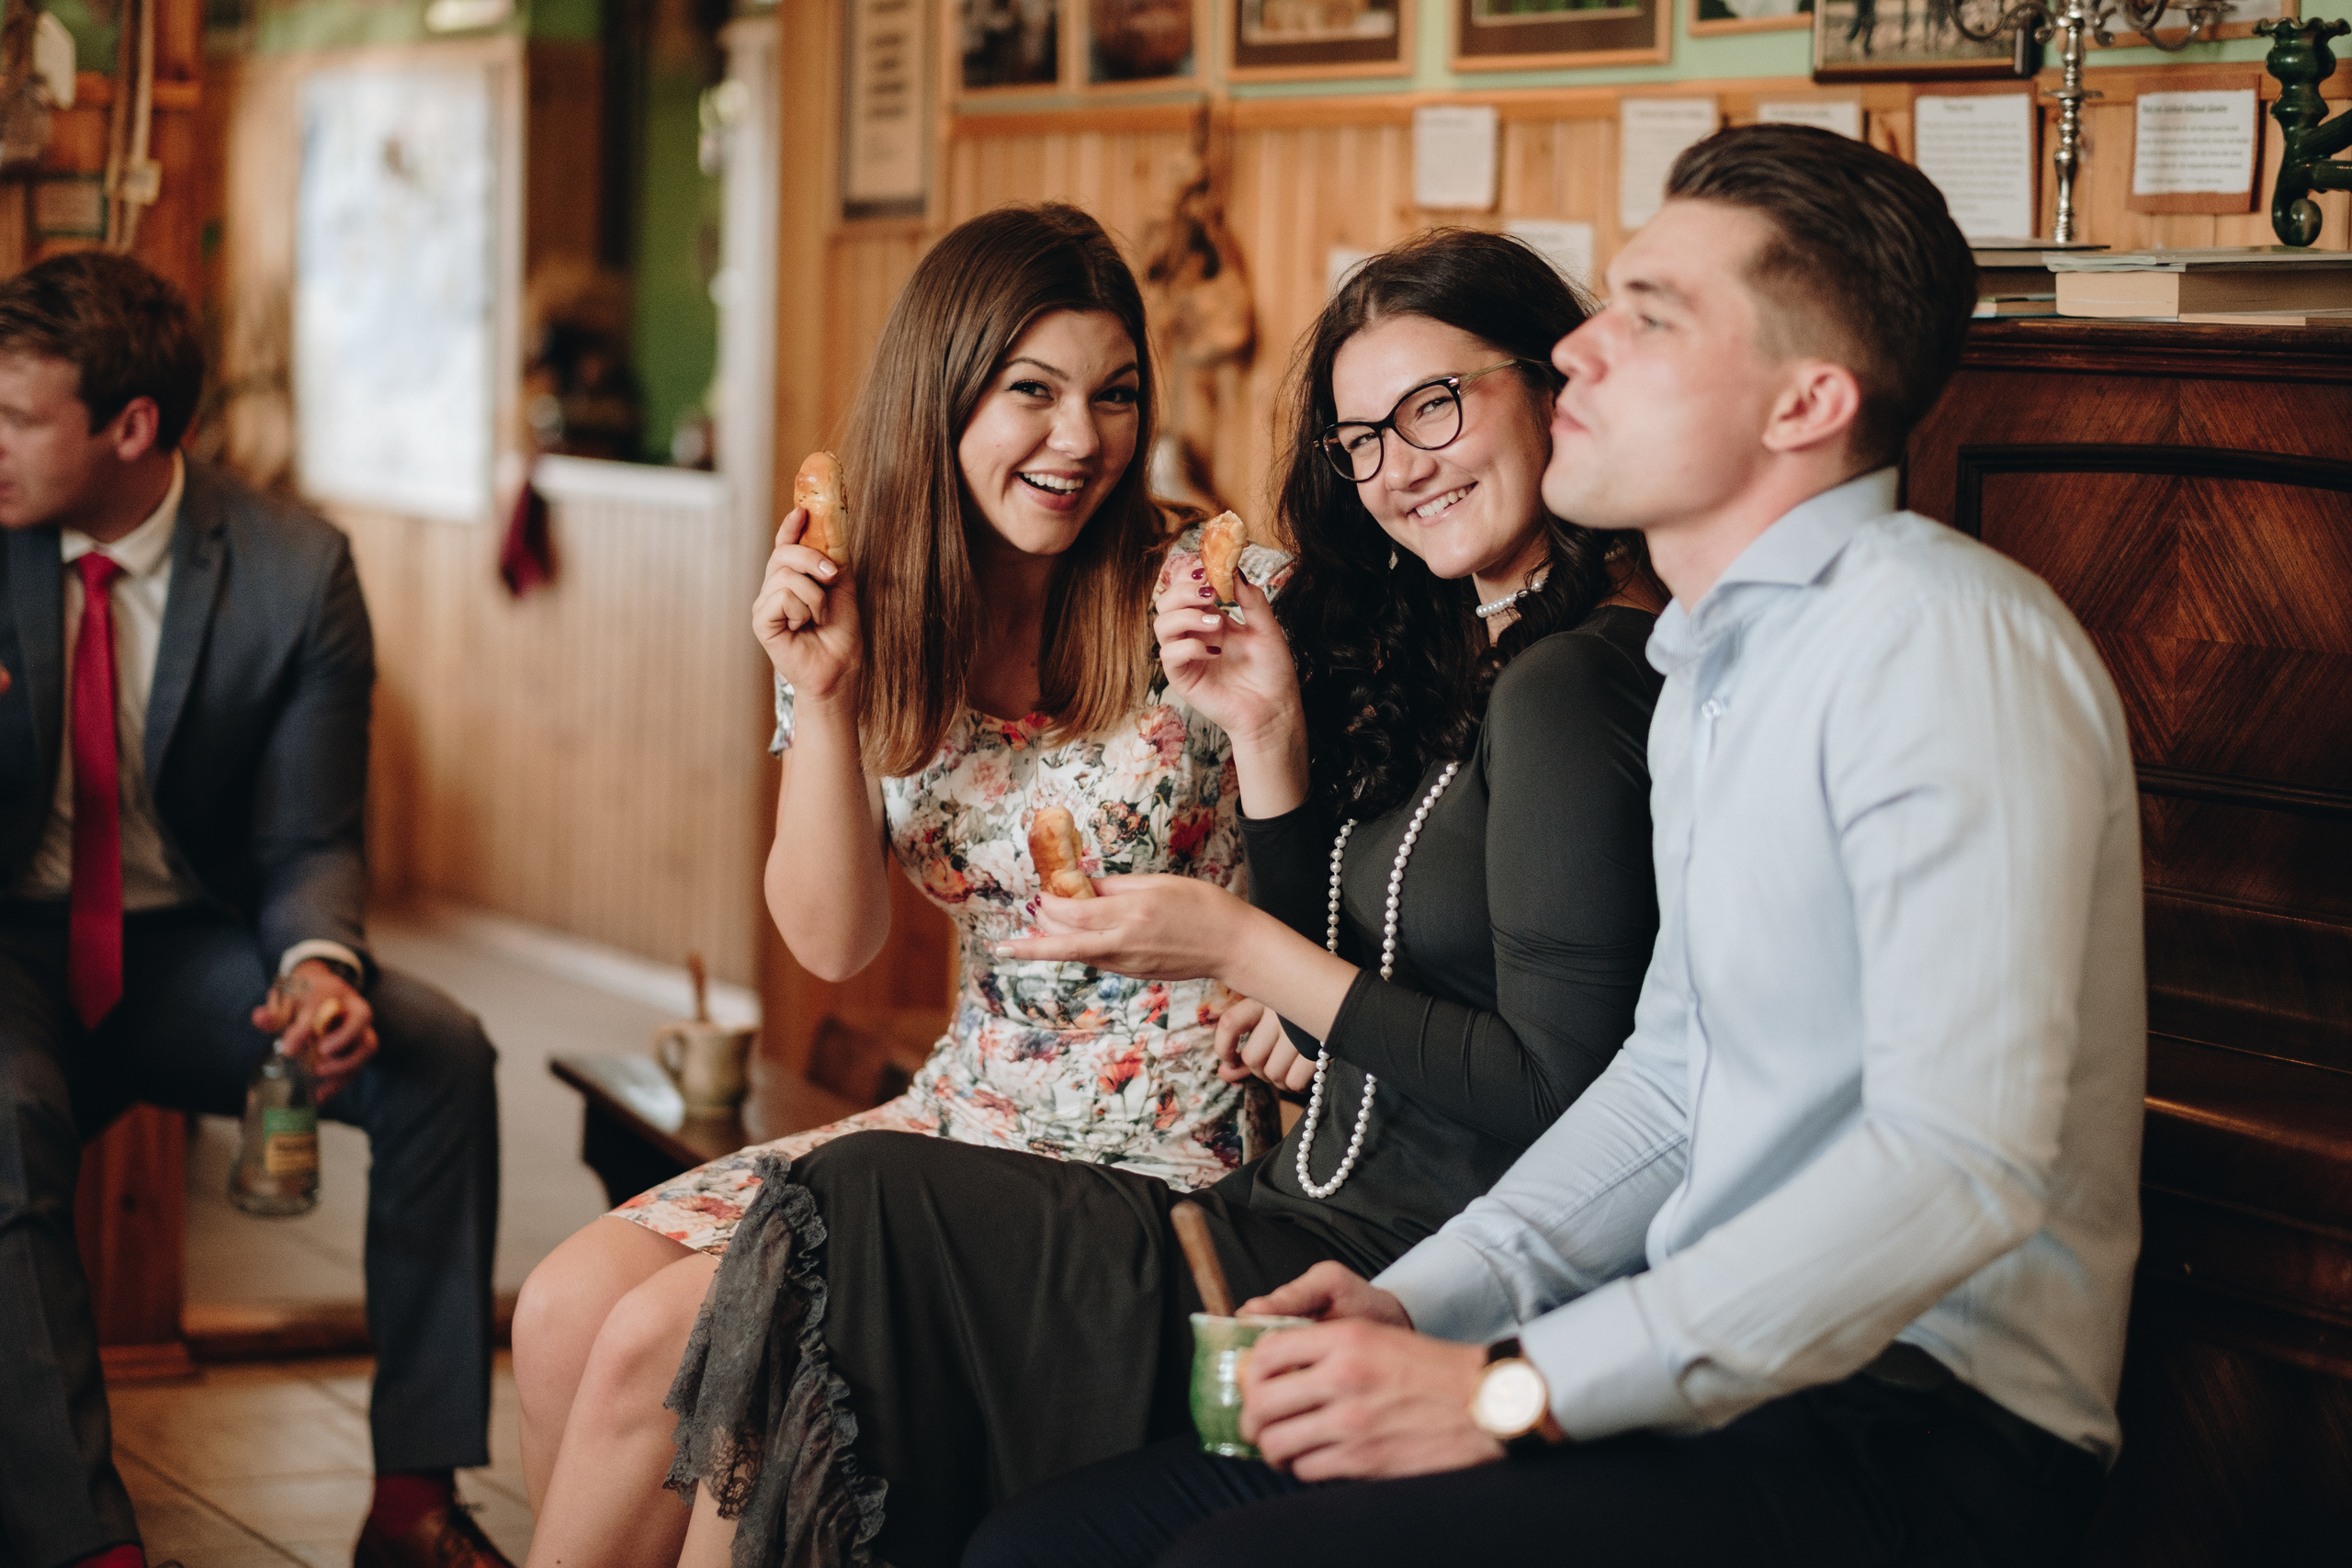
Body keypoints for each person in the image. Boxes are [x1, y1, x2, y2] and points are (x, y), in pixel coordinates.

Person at [965, 123, 2144, 1568]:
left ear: (1806, 401)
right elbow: (1668, 1086)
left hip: (1916, 1421)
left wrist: (1513, 1391)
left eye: (1647, 317)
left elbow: (1959, 1168)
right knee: (1044, 1547)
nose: (1580, 350)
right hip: (1709, 1375)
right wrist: (1425, 1304)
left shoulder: (1941, 639)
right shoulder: (1716, 666)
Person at [641, 226, 1668, 1568]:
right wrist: (1270, 740)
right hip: (1292, 1203)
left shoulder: (1567, 680)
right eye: (1362, 439)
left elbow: (1551, 1085)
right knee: (670, 1297)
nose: (1401, 467)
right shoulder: (1450, 657)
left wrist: (1239, 948)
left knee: (857, 1219)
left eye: (1437, 405)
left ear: (1556, 386)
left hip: (1338, 1229)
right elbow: (1340, 976)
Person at [512, 203, 1290, 1568]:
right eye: (1031, 393)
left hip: (1162, 1147)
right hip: (964, 1111)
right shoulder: (865, 606)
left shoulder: (1213, 593)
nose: (1081, 441)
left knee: (664, 1338)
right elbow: (831, 941)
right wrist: (824, 700)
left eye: (1113, 396)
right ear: (942, 393)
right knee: (570, 1307)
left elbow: (1340, 857)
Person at [0, 254, 509, 1568]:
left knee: (438, 1054)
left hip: (189, 956)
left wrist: (320, 964)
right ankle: (86, 1548)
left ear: (131, 428)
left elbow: (308, 832)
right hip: (5, 952)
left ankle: (412, 1504)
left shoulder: (293, 570)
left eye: (14, 417)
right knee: (4, 1116)